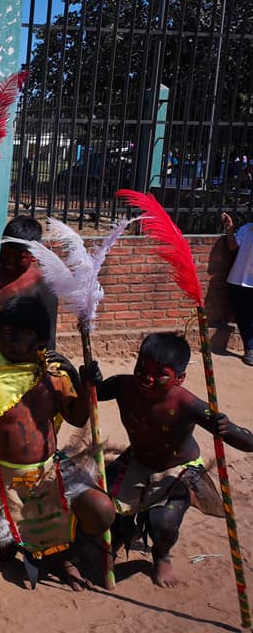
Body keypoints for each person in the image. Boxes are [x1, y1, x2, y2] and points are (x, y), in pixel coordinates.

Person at [0, 296, 115, 589]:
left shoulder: (54, 376)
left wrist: (87, 387)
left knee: (102, 509)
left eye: (21, 333)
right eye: (6, 332)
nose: (11, 339)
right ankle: (46, 552)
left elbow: (78, 417)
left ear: (40, 339)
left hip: (47, 475)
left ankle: (69, 553)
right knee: (1, 551)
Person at [93, 332, 253, 587]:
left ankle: (161, 554)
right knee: (102, 504)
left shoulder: (186, 403)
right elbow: (93, 393)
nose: (147, 378)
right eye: (142, 368)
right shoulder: (123, 385)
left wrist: (225, 427)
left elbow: (248, 442)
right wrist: (89, 378)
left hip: (177, 469)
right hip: (136, 460)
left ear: (180, 378)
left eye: (160, 374)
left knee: (163, 523)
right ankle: (120, 535)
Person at [0, 215, 58, 352]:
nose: (10, 262)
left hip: (17, 362)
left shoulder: (42, 286)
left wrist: (48, 362)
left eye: (19, 258)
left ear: (34, 255)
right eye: (5, 253)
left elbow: (48, 339)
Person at [222, 212, 253, 366]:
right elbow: (232, 245)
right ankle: (250, 349)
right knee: (243, 316)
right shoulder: (247, 229)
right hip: (239, 280)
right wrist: (230, 227)